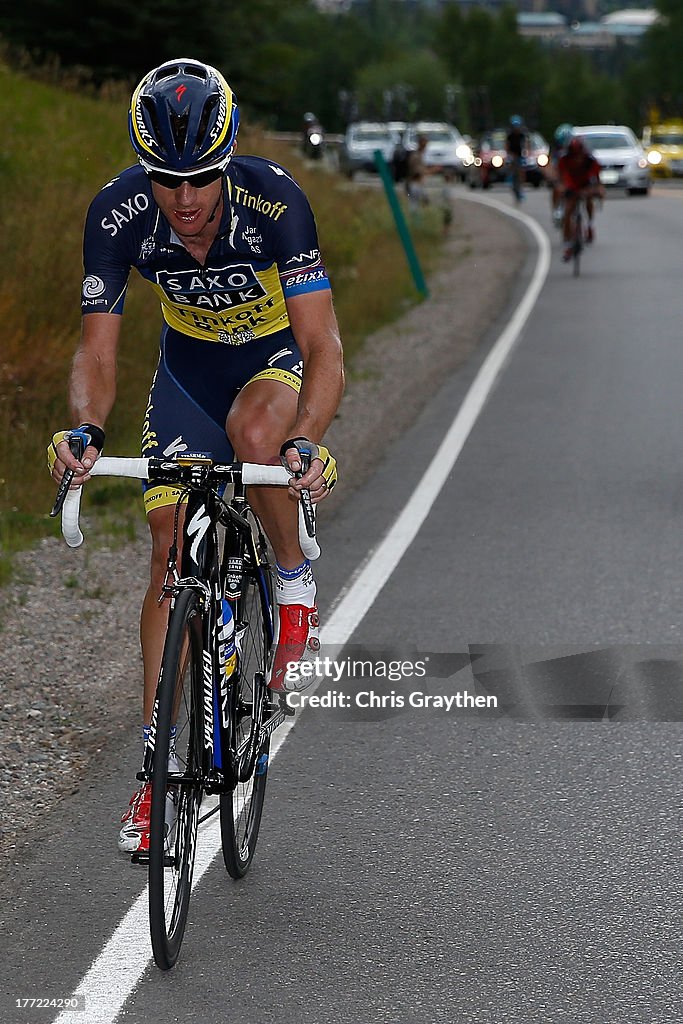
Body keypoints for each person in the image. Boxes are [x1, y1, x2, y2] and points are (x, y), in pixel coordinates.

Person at [47, 58, 344, 856]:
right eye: (165, 181)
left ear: (228, 156)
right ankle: (154, 778)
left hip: (270, 366)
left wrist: (306, 438)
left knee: (255, 437)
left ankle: (289, 576)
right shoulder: (116, 215)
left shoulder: (275, 200)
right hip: (186, 375)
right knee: (166, 556)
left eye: (200, 179)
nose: (183, 200)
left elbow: (323, 346)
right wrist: (85, 429)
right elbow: (98, 353)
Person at [556, 136, 605, 262]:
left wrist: (599, 190)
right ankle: (568, 243)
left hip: (586, 185)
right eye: (574, 153)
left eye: (579, 153)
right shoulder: (565, 160)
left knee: (588, 200)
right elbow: (561, 178)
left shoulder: (590, 160)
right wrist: (562, 188)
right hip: (571, 186)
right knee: (567, 213)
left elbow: (597, 178)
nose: (577, 157)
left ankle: (590, 225)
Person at [548, 122, 574, 224]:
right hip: (561, 173)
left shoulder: (577, 149)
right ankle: (556, 209)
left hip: (573, 174)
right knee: (557, 188)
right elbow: (550, 164)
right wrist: (552, 176)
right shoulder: (555, 151)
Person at [505, 115, 527, 202]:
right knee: (512, 169)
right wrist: (508, 155)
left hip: (520, 155)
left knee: (521, 171)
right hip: (512, 155)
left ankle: (521, 187)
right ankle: (511, 182)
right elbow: (507, 145)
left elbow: (525, 144)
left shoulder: (522, 134)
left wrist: (525, 153)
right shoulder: (510, 135)